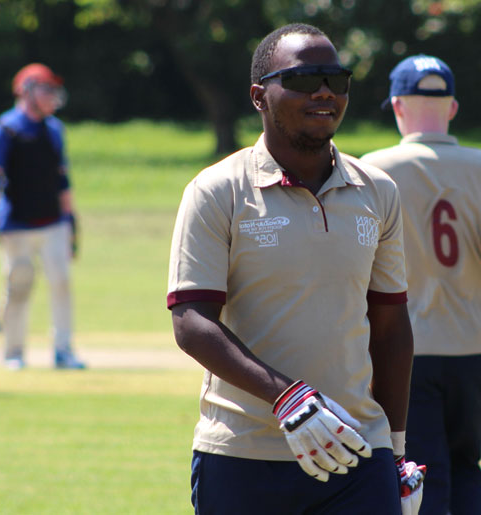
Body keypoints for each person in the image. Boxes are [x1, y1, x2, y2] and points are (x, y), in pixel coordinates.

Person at [167, 23, 425, 515]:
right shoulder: (217, 190)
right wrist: (289, 399)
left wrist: (395, 448)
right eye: (306, 80)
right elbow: (193, 324)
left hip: (358, 452)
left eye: (337, 79)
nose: (325, 92)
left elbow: (391, 328)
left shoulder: (379, 191)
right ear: (259, 96)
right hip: (243, 455)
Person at [361, 55, 481, 514]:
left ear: (396, 106)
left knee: (420, 469)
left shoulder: (376, 166)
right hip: (476, 342)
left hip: (407, 344)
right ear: (452, 108)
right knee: (468, 463)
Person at [0, 63, 85, 370]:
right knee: (19, 285)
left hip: (52, 222)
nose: (52, 96)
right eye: (46, 89)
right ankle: (13, 352)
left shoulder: (53, 129)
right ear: (26, 91)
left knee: (61, 283)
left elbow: (62, 179)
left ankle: (63, 351)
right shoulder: (5, 130)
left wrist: (71, 219)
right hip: (16, 224)